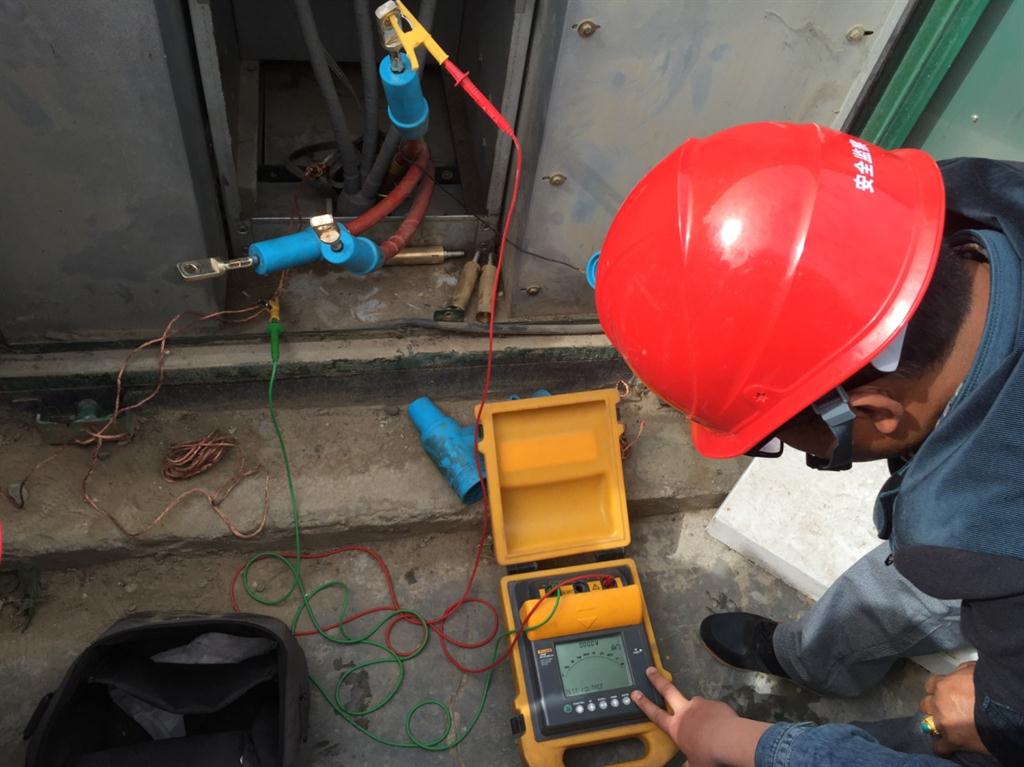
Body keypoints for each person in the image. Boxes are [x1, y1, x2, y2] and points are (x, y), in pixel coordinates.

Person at [590, 122, 1024, 765]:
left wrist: (1000, 710)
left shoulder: (985, 547)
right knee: (918, 570)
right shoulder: (984, 196)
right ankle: (815, 659)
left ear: (873, 413)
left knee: (960, 733)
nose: (790, 448)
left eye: (778, 437)